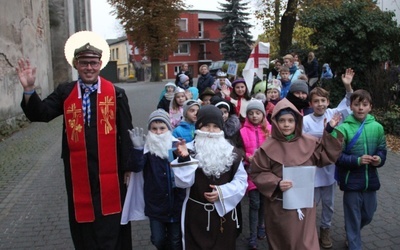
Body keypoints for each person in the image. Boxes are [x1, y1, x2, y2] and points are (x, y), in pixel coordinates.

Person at [16, 31, 133, 249]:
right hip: (78, 167)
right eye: (84, 63)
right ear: (76, 65)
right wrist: (29, 90)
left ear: (100, 64)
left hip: (111, 167)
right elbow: (40, 114)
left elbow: (126, 131)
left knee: (111, 215)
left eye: (93, 63)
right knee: (83, 215)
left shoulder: (116, 93)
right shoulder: (65, 92)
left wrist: (129, 166)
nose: (89, 68)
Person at [250, 98, 343, 250]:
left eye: (290, 121)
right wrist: (276, 183)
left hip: (304, 204)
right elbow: (258, 172)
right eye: (282, 121)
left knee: (306, 243)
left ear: (297, 122)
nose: (286, 125)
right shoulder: (267, 148)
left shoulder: (309, 142)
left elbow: (326, 156)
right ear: (275, 122)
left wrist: (330, 130)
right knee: (283, 242)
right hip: (278, 206)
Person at [170, 105, 248, 250]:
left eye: (215, 127)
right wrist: (185, 159)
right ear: (198, 126)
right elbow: (183, 183)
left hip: (224, 217)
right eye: (206, 126)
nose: (211, 131)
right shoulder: (187, 150)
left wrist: (222, 192)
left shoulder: (233, 153)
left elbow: (242, 182)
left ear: (221, 129)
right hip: (195, 216)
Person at [302, 68, 354, 249]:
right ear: (311, 103)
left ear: (328, 102)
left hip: (329, 168)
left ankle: (325, 229)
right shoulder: (305, 121)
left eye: (323, 100)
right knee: (312, 203)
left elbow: (348, 103)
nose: (320, 104)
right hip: (313, 168)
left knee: (329, 204)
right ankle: (310, 231)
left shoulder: (333, 114)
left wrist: (347, 86)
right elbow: (302, 144)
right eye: (316, 101)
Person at [331, 90, 387, 250]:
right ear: (351, 106)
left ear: (370, 107)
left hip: (371, 180)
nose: (360, 108)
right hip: (350, 180)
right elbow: (337, 157)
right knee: (352, 217)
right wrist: (357, 160)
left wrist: (378, 159)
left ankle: (352, 232)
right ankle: (354, 242)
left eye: (364, 105)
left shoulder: (378, 127)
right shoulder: (343, 129)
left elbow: (382, 150)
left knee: (369, 213)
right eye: (357, 104)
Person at [124, 110, 186, 250]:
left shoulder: (176, 146)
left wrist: (184, 155)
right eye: (154, 128)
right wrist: (138, 148)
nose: (158, 132)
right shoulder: (147, 149)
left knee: (176, 240)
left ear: (169, 128)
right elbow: (136, 166)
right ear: (150, 130)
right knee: (158, 239)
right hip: (155, 204)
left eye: (162, 128)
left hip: (176, 202)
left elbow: (186, 169)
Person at [240, 100, 270, 249]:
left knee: (264, 202)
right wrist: (246, 156)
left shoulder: (269, 129)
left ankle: (261, 226)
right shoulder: (243, 131)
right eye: (251, 113)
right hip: (251, 171)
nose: (254, 116)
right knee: (254, 203)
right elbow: (238, 149)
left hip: (266, 172)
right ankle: (252, 235)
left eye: (257, 113)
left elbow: (275, 147)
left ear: (263, 114)